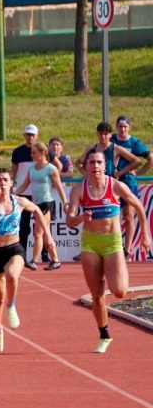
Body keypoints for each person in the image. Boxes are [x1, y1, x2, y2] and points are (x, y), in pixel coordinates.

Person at [66, 150, 152, 353]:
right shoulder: (79, 190)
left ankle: (115, 270)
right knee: (96, 295)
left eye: (99, 162)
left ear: (105, 166)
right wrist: (81, 219)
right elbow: (69, 221)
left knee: (120, 291)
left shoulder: (115, 186)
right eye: (91, 163)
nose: (95, 166)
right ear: (85, 167)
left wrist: (145, 235)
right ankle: (104, 334)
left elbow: (138, 205)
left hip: (112, 243)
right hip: (90, 244)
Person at [0, 168, 50, 352]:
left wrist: (47, 236)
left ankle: (12, 305)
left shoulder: (19, 201)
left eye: (5, 180)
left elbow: (37, 211)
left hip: (14, 248)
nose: (2, 183)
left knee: (12, 275)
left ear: (11, 183)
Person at [77, 121, 143, 254]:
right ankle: (91, 248)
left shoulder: (116, 148)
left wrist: (120, 172)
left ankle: (127, 249)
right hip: (96, 187)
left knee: (127, 215)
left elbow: (137, 161)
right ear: (97, 134)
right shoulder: (93, 149)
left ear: (110, 135)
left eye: (106, 134)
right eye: (101, 134)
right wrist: (86, 174)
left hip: (112, 186)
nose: (103, 137)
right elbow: (78, 163)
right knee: (94, 218)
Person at [15, 142, 68, 270]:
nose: (31, 155)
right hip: (36, 204)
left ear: (42, 153)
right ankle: (55, 260)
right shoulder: (32, 169)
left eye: (34, 152)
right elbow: (25, 184)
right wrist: (12, 194)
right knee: (45, 233)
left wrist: (65, 202)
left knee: (38, 233)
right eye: (31, 152)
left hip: (46, 203)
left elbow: (59, 187)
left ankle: (34, 260)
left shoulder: (51, 169)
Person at [110, 115, 151, 256]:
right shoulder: (112, 140)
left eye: (125, 126)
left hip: (128, 182)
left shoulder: (134, 143)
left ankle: (127, 250)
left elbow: (150, 159)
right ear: (116, 127)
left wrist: (138, 173)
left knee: (128, 215)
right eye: (120, 126)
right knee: (110, 216)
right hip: (112, 181)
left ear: (129, 127)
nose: (122, 129)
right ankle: (114, 247)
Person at [10, 124, 41, 264]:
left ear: (37, 136)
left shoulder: (42, 150)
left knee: (42, 227)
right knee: (23, 226)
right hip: (23, 194)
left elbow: (55, 167)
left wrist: (52, 181)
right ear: (24, 136)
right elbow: (14, 170)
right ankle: (21, 256)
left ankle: (45, 256)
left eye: (32, 135)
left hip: (40, 194)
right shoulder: (18, 152)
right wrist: (10, 185)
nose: (30, 137)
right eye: (28, 134)